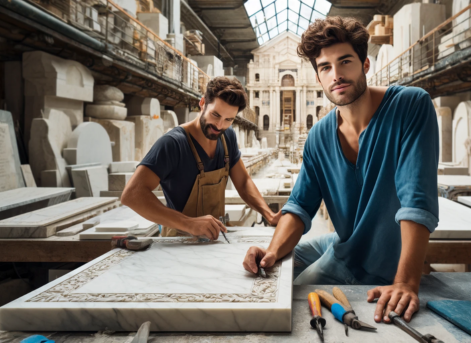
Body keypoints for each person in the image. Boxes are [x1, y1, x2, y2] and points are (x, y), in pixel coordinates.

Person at [241, 17, 439, 324]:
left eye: (345, 61)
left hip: (374, 264)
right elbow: (299, 206)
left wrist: (405, 282)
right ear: (318, 77)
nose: (336, 75)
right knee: (269, 268)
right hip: (341, 244)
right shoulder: (319, 136)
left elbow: (416, 198)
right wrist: (271, 250)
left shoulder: (410, 106)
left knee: (287, 299)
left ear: (365, 64)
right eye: (325, 67)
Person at [122, 77, 281, 239]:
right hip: (179, 240)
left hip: (215, 237)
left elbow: (243, 182)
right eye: (215, 115)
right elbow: (132, 194)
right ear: (203, 103)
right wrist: (188, 223)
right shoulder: (173, 144)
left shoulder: (227, 138)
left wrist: (268, 214)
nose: (219, 125)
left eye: (228, 119)